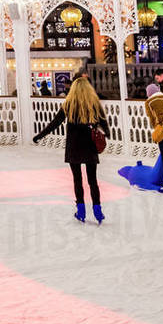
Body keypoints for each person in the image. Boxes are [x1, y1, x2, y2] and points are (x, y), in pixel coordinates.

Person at [32, 77, 109, 224]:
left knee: (77, 180)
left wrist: (39, 136)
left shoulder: (69, 104)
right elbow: (104, 123)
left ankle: (81, 210)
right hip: (90, 146)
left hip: (74, 146)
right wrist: (106, 134)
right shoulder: (94, 104)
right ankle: (97, 210)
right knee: (92, 180)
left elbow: (54, 123)